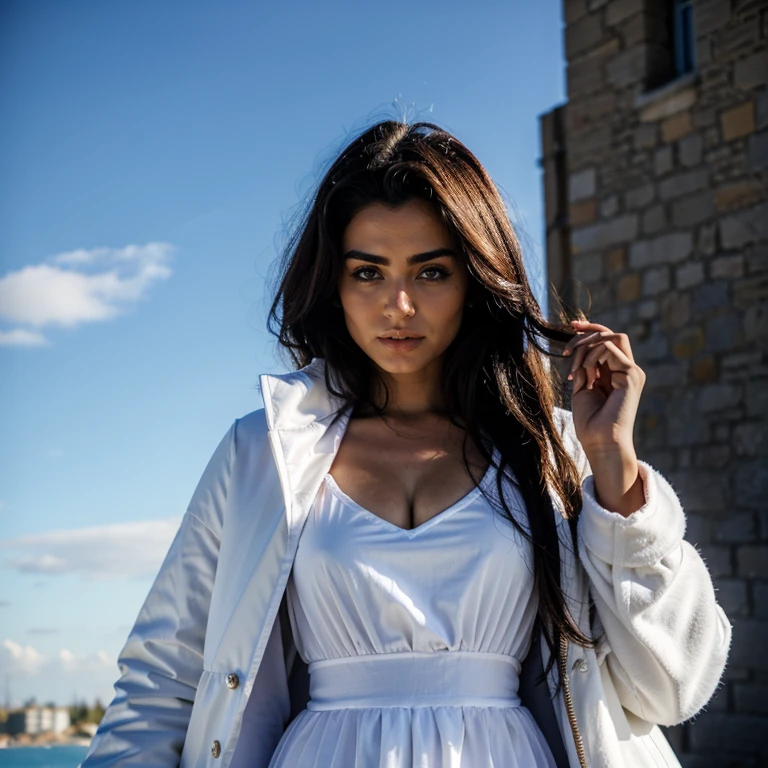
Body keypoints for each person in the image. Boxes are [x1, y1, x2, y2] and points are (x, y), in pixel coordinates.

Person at [80, 120, 732, 768]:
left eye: (430, 272)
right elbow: (162, 680)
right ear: (333, 285)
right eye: (368, 272)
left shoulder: (553, 453)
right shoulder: (262, 454)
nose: (398, 305)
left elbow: (675, 688)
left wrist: (614, 469)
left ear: (476, 280)